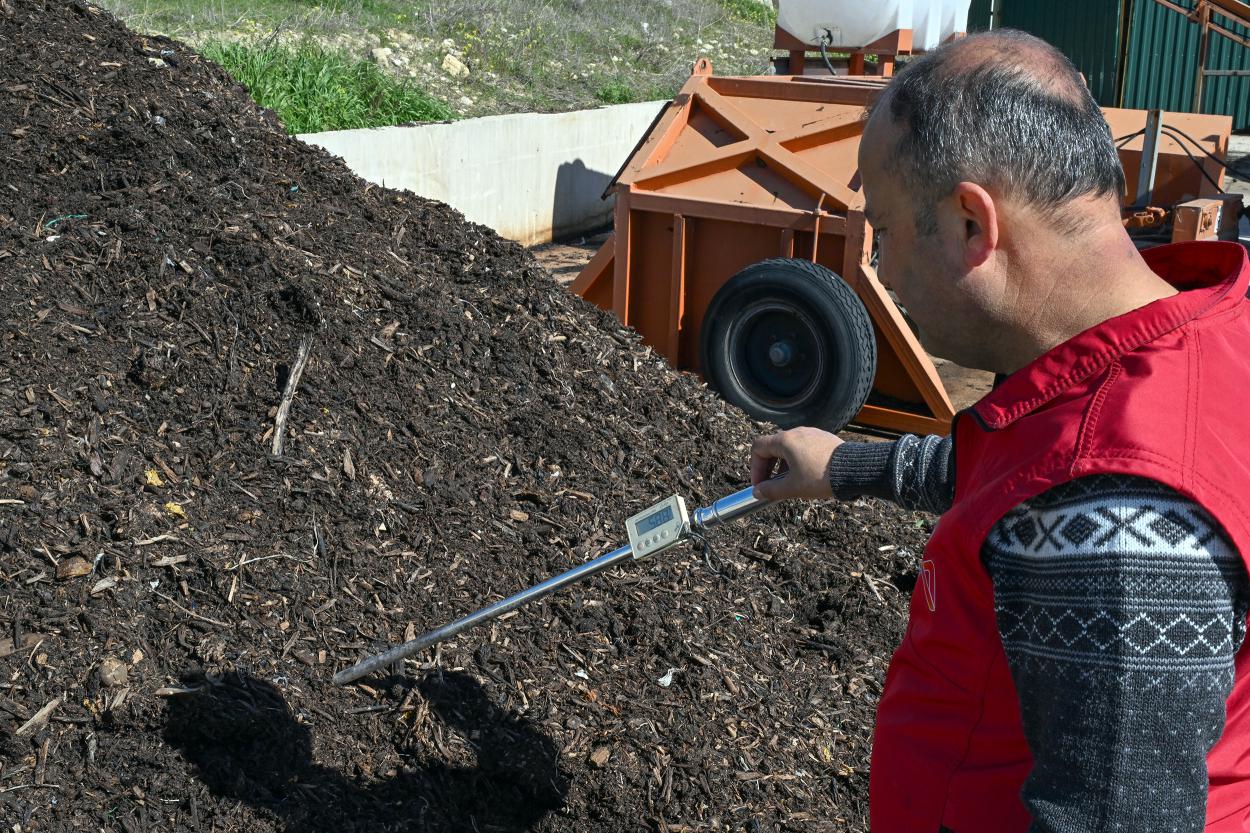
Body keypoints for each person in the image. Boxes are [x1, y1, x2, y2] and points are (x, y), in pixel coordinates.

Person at [747, 29, 1250, 833]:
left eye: (883, 231)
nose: (878, 269)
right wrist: (849, 465)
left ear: (971, 224)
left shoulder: (1119, 521)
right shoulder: (1186, 344)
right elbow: (1027, 475)